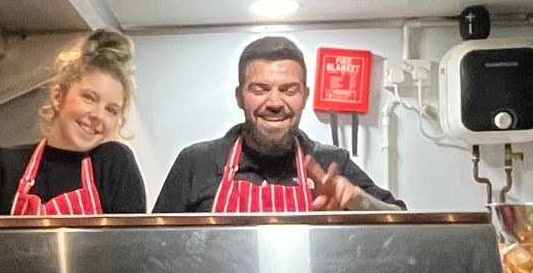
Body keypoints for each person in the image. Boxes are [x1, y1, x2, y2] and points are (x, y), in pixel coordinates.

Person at [152, 36, 404, 213]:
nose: (274, 102)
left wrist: (360, 202)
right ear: (240, 97)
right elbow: (154, 253)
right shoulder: (197, 162)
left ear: (304, 96)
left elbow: (403, 226)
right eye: (260, 89)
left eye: (288, 90)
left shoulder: (331, 162)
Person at [0, 30, 148, 215]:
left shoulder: (113, 163)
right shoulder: (2, 166)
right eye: (89, 98)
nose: (97, 115)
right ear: (57, 96)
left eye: (111, 110)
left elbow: (133, 243)